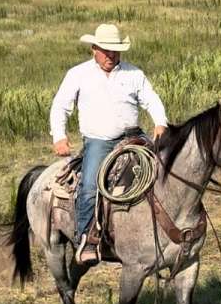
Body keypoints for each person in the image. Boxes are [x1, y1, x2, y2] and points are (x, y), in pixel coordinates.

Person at [50, 23, 168, 265]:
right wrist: (59, 136)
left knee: (165, 169)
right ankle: (87, 238)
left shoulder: (134, 74)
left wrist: (160, 123)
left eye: (115, 50)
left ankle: (164, 228)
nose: (111, 55)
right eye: (106, 50)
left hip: (134, 136)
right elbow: (60, 106)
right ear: (94, 49)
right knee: (91, 184)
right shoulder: (78, 74)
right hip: (99, 141)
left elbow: (152, 100)